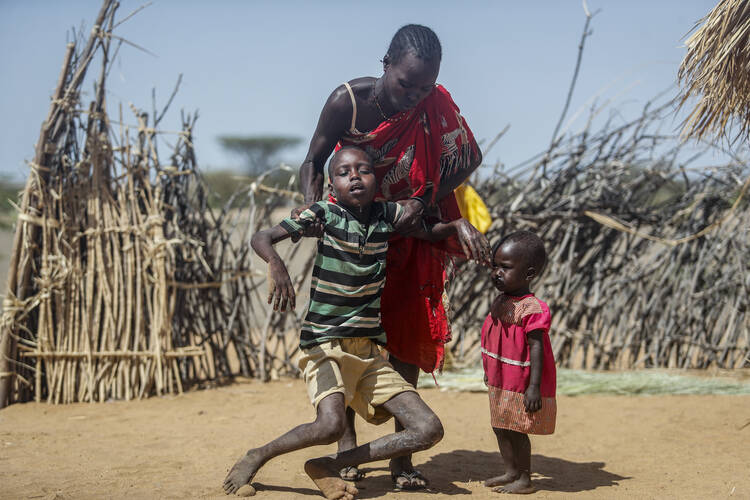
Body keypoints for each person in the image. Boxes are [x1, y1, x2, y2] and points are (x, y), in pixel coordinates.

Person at [297, 23, 491, 489]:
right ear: (386, 65)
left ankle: (403, 459)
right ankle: (346, 450)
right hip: (355, 234)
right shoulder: (348, 101)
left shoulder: (433, 103)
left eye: (426, 86)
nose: (415, 95)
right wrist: (315, 208)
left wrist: (424, 201)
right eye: (407, 83)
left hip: (411, 231)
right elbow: (313, 160)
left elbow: (469, 156)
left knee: (404, 334)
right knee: (346, 336)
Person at [223, 146, 474, 499]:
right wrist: (276, 265)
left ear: (376, 180)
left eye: (363, 170)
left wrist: (459, 224)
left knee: (428, 428)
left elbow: (429, 231)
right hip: (325, 344)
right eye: (344, 172)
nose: (354, 176)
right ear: (332, 186)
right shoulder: (324, 213)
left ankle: (330, 464)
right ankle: (257, 455)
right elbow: (261, 237)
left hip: (368, 351)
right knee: (330, 424)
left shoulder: (387, 215)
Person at [481, 231, 556, 494]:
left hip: (521, 382)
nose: (497, 273)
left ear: (529, 273)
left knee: (517, 428)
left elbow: (537, 350)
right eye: (495, 266)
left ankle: (525, 479)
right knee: (500, 424)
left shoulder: (532, 309)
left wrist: (533, 387)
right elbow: (494, 338)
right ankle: (511, 471)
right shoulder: (503, 301)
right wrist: (488, 370)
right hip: (502, 378)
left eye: (506, 267)